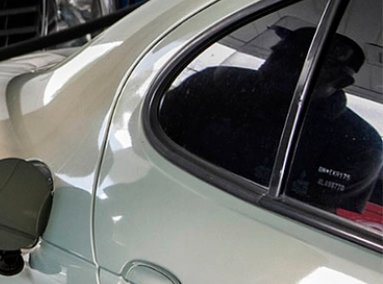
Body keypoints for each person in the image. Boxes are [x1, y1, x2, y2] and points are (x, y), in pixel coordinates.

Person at [160, 27, 383, 214]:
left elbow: (320, 222)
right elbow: (154, 135)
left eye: (296, 64)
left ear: (341, 81)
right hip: (170, 198)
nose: (272, 67)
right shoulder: (215, 85)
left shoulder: (359, 144)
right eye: (277, 55)